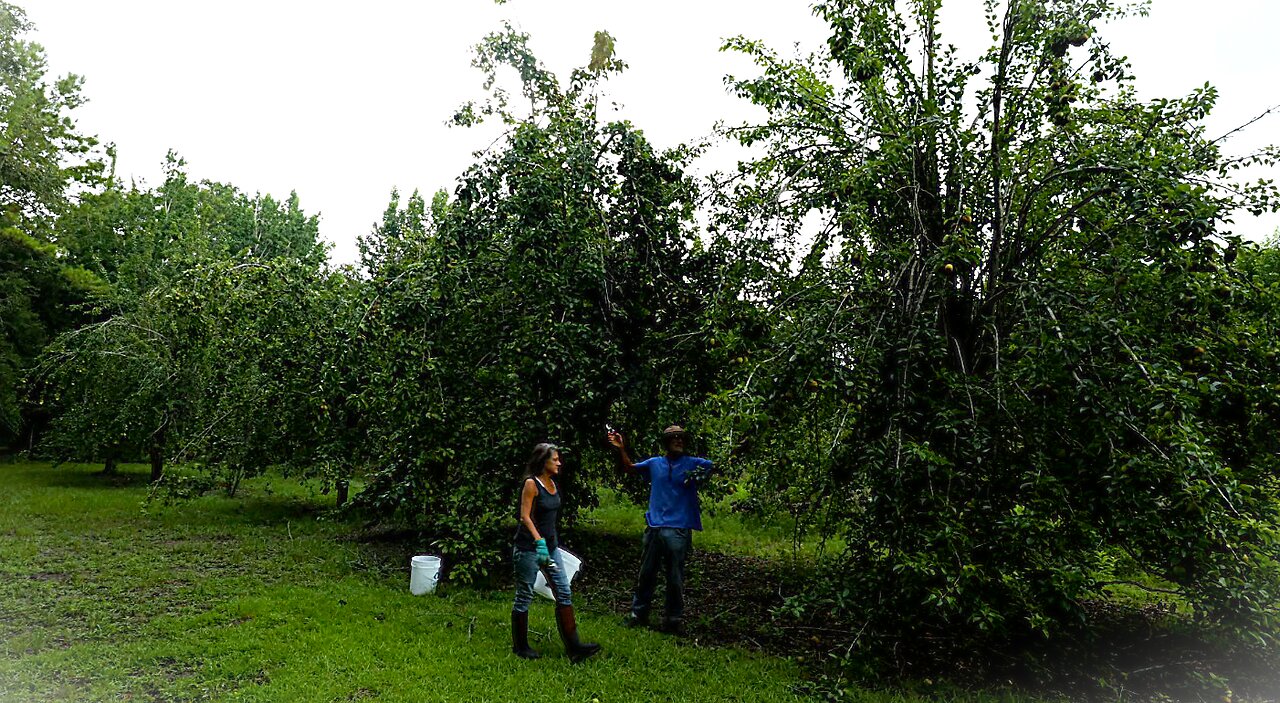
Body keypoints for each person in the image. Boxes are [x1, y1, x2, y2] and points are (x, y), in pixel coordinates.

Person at [607, 425, 713, 634]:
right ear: (665, 442)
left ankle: (673, 620)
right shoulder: (655, 463)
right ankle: (639, 614)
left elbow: (717, 466)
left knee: (675, 577)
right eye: (673, 438)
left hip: (678, 530)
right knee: (646, 573)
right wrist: (621, 448)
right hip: (655, 527)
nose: (678, 441)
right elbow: (630, 468)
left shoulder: (694, 465)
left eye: (681, 438)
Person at [510, 442, 601, 663]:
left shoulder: (552, 483)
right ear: (543, 461)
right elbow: (525, 516)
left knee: (563, 592)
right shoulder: (532, 484)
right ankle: (521, 647)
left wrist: (549, 544)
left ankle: (575, 646)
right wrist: (538, 541)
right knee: (524, 595)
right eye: (555, 459)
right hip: (528, 549)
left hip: (550, 548)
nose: (559, 462)